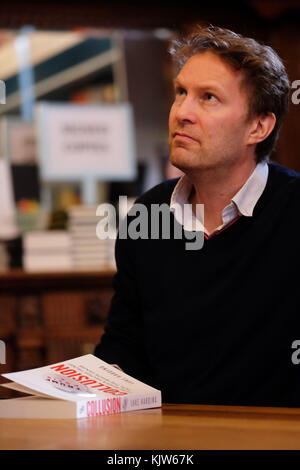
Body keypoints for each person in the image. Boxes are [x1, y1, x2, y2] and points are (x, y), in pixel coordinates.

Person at [95, 25, 300, 407]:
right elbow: (124, 345)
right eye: (181, 93)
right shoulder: (148, 215)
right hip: (166, 438)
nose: (182, 113)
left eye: (208, 98)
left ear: (258, 126)